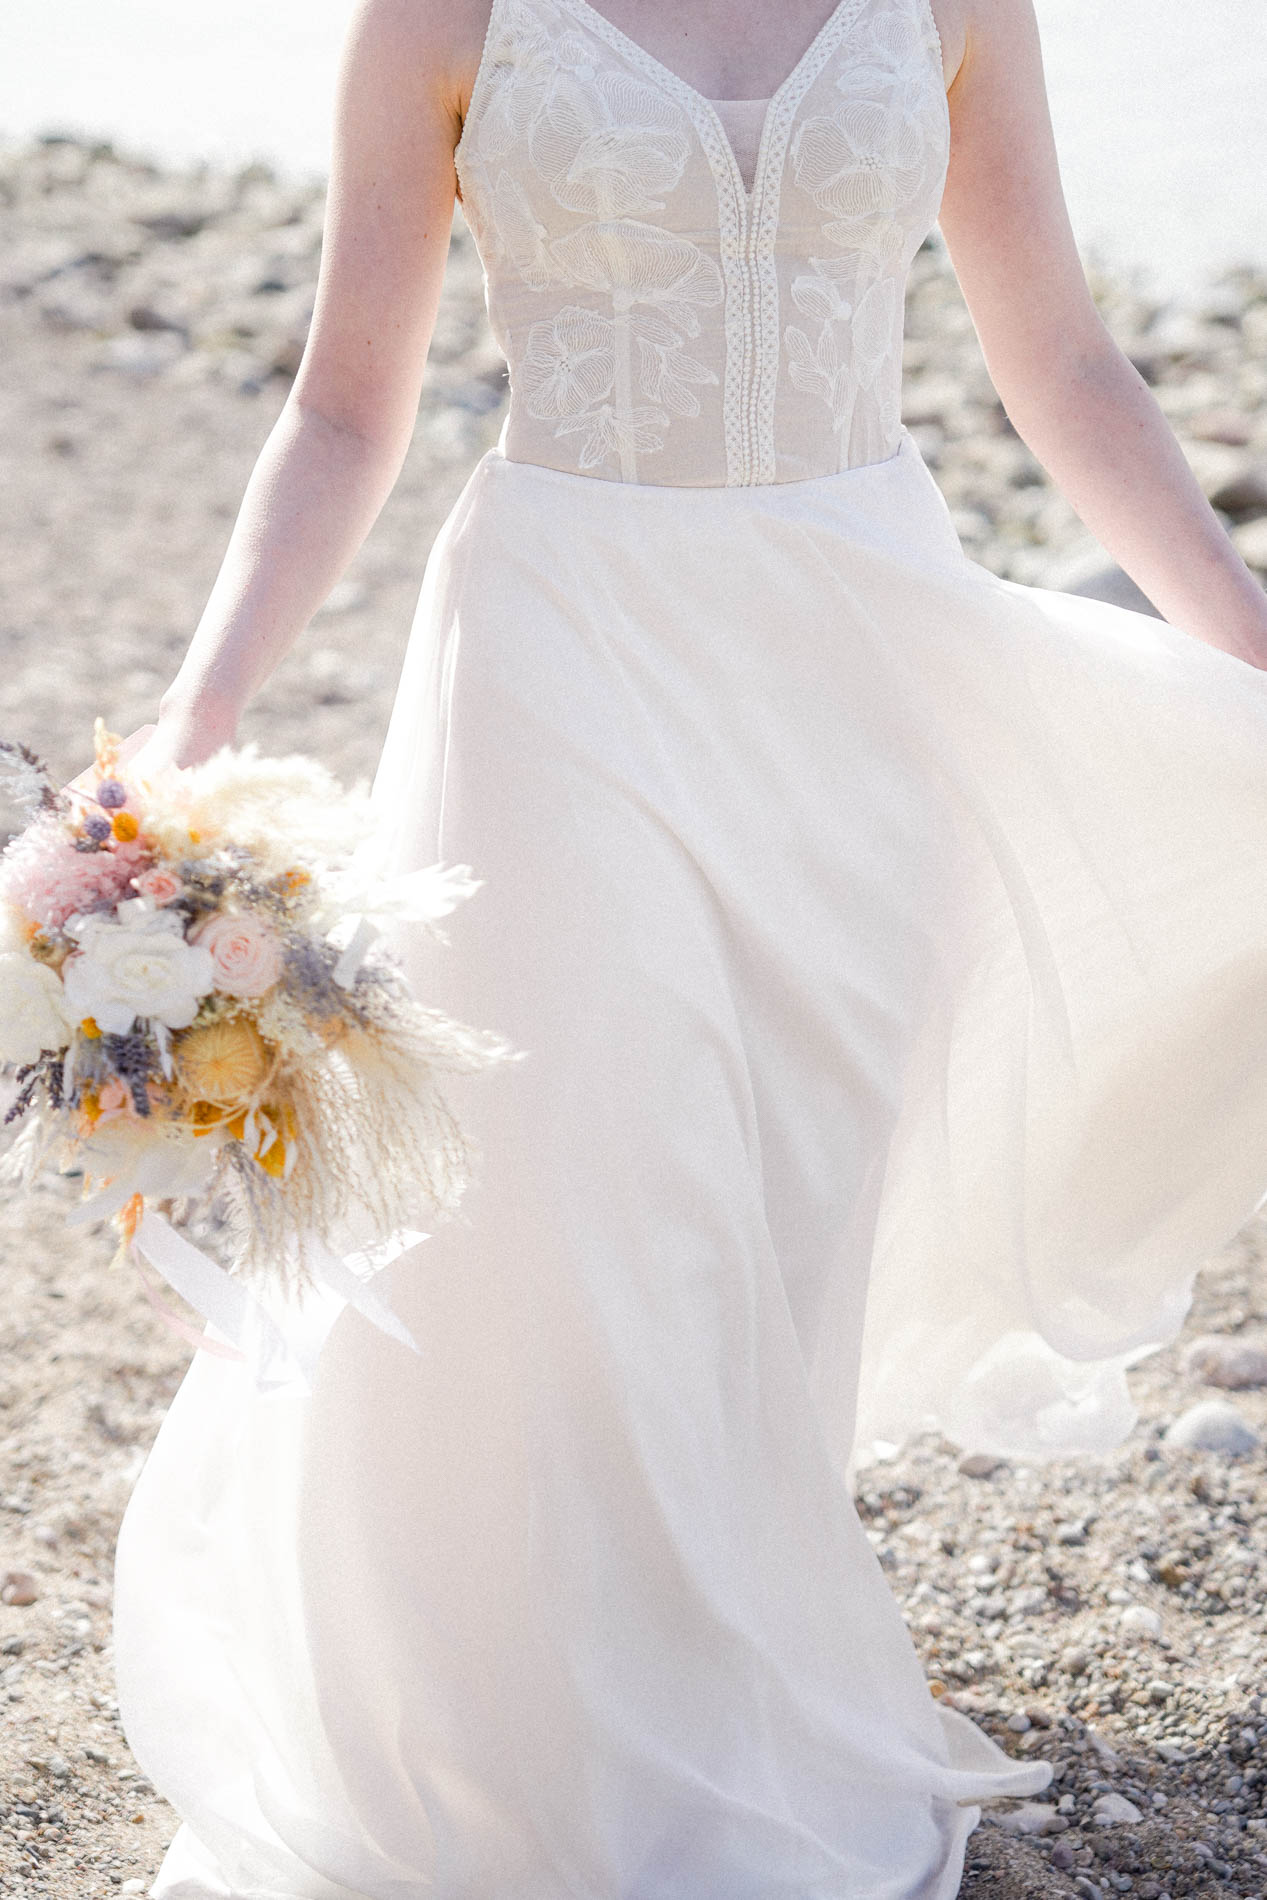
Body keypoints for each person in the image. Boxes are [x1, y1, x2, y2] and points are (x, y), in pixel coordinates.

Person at [106, 0, 1267, 1893]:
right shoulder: (448, 13)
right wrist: (195, 718)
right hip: (564, 663)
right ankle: (554, 1751)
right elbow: (342, 404)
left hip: (861, 669)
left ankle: (717, 1673)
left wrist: (1246, 640)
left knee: (783, 1217)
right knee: (600, 1201)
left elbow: (1056, 354)